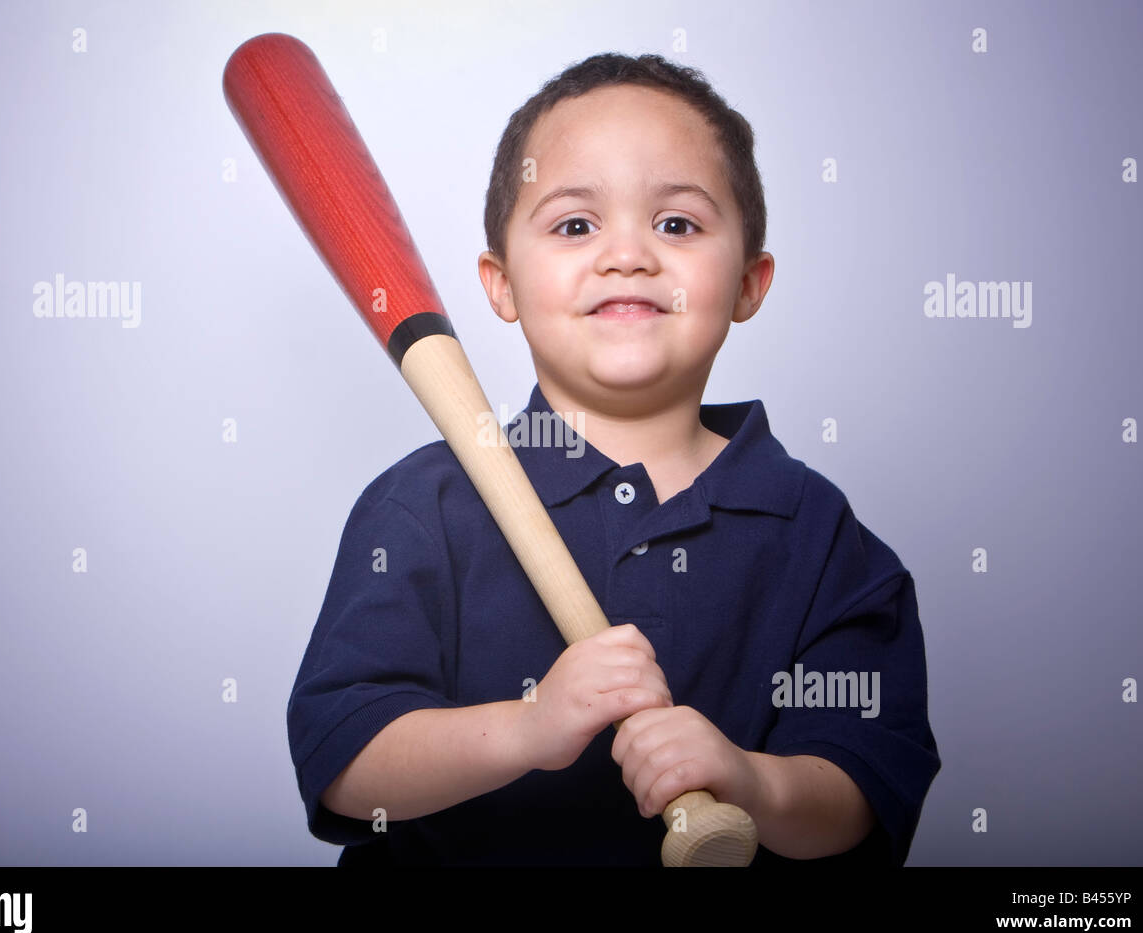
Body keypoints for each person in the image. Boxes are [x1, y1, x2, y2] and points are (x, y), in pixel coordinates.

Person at [287, 52, 941, 866]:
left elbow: (863, 782)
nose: (627, 254)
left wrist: (753, 782)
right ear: (501, 285)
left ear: (748, 282)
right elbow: (346, 766)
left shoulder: (817, 532)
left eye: (677, 224)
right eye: (574, 225)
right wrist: (526, 730)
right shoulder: (423, 507)